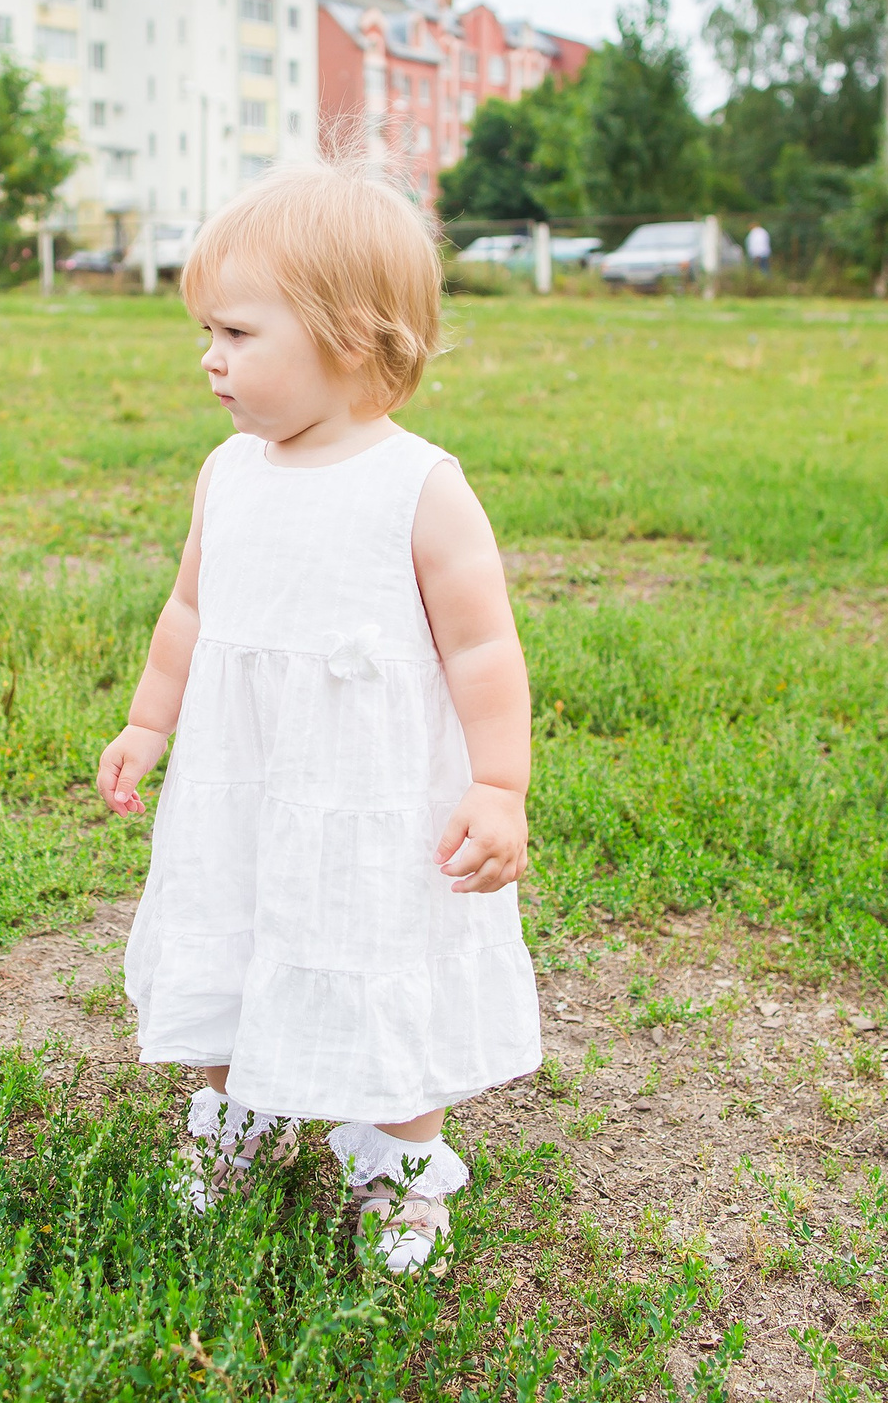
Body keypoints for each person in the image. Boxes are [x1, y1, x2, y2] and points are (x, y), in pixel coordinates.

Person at [94, 159, 540, 1274]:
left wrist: (497, 786)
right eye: (205, 330)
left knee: (375, 949)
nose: (208, 357)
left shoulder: (419, 486)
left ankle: (396, 1159)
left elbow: (482, 647)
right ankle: (236, 1113)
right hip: (243, 783)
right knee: (234, 927)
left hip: (373, 796)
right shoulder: (228, 474)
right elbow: (190, 609)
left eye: (236, 332)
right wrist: (150, 724)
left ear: (348, 336)